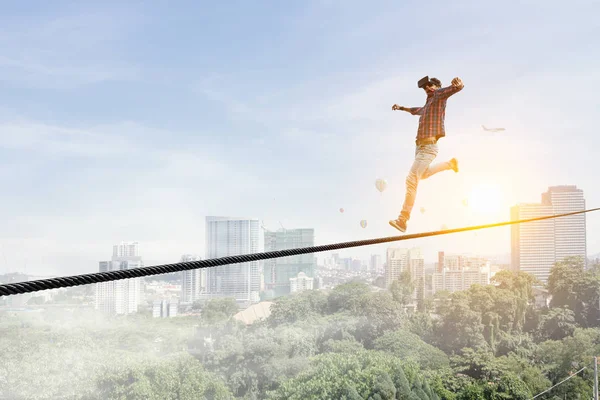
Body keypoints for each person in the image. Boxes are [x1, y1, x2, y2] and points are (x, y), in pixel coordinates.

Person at [389, 76, 464, 233]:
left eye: (431, 86)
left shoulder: (438, 96)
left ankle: (403, 220)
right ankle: (450, 164)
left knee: (411, 179)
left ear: (437, 87)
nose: (428, 89)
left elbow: (454, 89)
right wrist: (401, 108)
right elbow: (416, 110)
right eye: (425, 88)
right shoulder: (427, 105)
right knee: (422, 175)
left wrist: (458, 85)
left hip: (428, 148)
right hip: (420, 149)